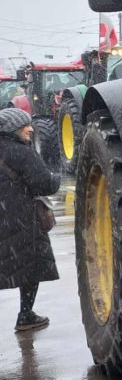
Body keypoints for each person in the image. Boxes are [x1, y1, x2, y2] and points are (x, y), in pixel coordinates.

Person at [0, 108, 60, 331]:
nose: (31, 128)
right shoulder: (21, 152)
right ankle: (25, 315)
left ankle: (26, 315)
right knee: (29, 267)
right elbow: (45, 184)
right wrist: (57, 178)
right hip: (20, 221)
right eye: (25, 125)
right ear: (12, 129)